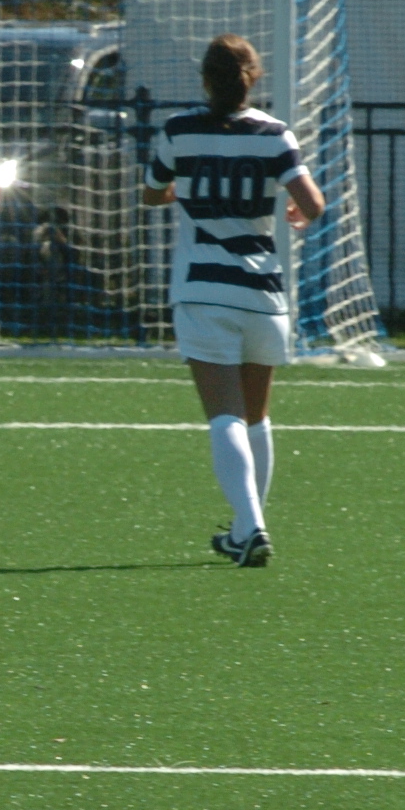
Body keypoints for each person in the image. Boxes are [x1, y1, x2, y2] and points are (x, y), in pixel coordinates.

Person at [140, 34, 324, 569]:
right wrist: (294, 211)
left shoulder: (179, 130)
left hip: (203, 292)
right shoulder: (275, 134)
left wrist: (184, 190)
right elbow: (313, 204)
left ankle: (252, 525)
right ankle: (245, 528)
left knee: (224, 416)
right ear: (253, 78)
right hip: (263, 294)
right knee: (256, 417)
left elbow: (152, 193)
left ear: (205, 80)